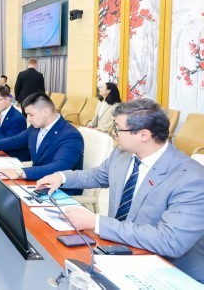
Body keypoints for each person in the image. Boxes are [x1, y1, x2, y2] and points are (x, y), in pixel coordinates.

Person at [36, 99, 204, 283]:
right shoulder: (123, 153)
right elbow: (98, 175)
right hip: (120, 251)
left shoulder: (191, 178)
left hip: (169, 271)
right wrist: (61, 177)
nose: (113, 133)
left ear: (144, 135)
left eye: (117, 129)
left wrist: (97, 222)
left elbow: (170, 241)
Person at [0, 93, 84, 192]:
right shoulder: (36, 127)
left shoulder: (71, 136)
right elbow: (16, 140)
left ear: (45, 112)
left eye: (31, 115)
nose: (28, 119)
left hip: (60, 190)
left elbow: (58, 167)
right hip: (36, 182)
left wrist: (19, 172)